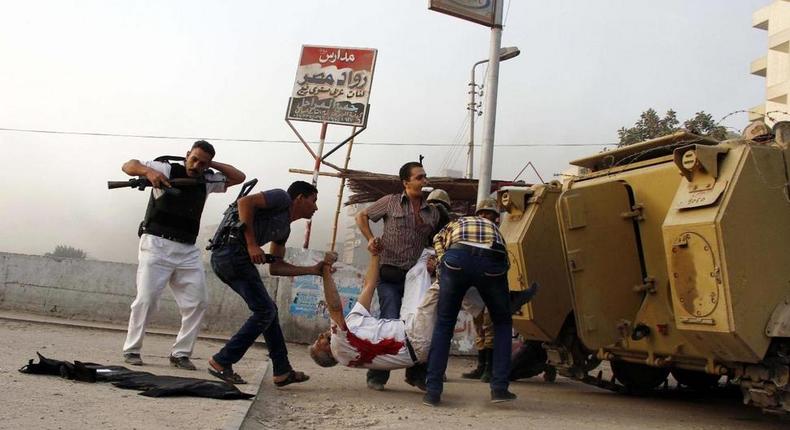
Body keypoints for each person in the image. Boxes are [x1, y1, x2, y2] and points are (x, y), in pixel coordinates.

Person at [122, 140, 246, 369]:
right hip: (156, 244)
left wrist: (212, 164)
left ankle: (180, 354)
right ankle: (132, 350)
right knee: (146, 300)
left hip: (187, 250)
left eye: (203, 162)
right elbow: (128, 165)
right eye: (194, 159)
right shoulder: (166, 168)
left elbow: (239, 177)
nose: (197, 165)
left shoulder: (207, 179)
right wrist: (148, 172)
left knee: (197, 303)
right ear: (187, 155)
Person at [206, 180, 329, 387]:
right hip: (230, 253)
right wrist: (253, 245)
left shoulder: (284, 230)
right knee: (265, 311)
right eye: (313, 200)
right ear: (299, 198)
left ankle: (282, 371)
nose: (316, 207)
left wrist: (312, 270)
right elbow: (245, 202)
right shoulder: (281, 197)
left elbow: (276, 267)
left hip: (236, 259)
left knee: (268, 310)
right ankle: (221, 361)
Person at [309, 254, 484, 390]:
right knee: (443, 282)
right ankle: (481, 297)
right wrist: (325, 272)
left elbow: (369, 285)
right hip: (415, 338)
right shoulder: (339, 347)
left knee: (416, 272)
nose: (319, 336)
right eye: (319, 342)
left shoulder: (349, 326)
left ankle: (474, 295)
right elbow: (334, 306)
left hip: (408, 326)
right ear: (329, 354)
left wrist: (375, 254)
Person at [423, 198, 517, 406]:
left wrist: (443, 266)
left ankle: (432, 391)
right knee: (502, 323)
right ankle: (499, 388)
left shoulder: (458, 222)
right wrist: (502, 296)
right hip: (493, 261)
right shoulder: (495, 229)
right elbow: (505, 261)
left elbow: (438, 240)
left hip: (457, 257)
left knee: (445, 323)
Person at [355, 162, 439, 390]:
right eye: (419, 177)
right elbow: (361, 216)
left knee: (420, 324)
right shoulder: (390, 202)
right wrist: (371, 239)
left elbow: (437, 242)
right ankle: (377, 376)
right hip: (389, 274)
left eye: (425, 177)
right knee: (390, 320)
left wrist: (433, 259)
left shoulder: (432, 212)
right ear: (406, 182)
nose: (424, 181)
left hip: (416, 279)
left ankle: (416, 375)